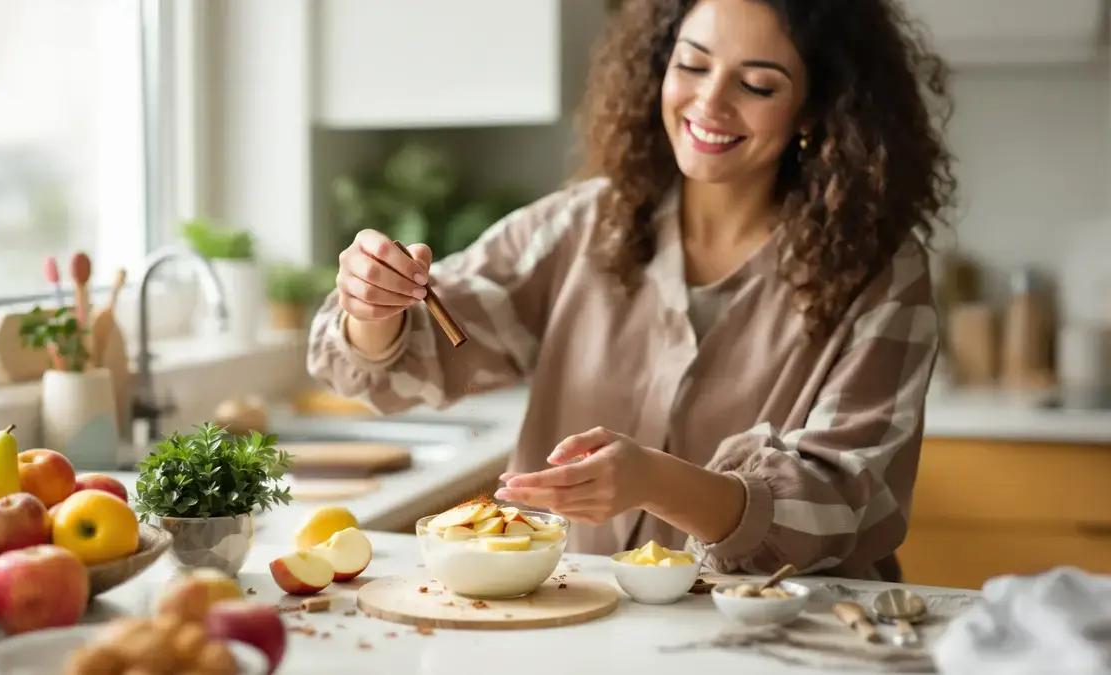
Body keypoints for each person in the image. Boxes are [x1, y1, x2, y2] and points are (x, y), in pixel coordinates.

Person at [307, 0, 956, 582]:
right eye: (692, 65)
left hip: (779, 635)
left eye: (757, 84)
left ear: (818, 106)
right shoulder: (582, 224)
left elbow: (848, 503)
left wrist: (659, 481)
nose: (709, 103)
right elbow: (409, 362)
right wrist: (373, 308)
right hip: (580, 623)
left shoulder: (882, 272)